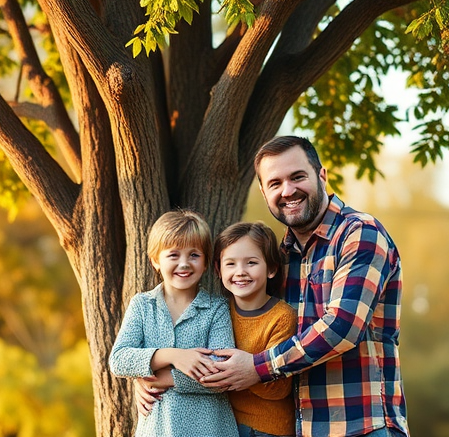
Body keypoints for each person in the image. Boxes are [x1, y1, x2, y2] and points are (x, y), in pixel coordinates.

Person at [200, 136, 408, 437]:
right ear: (263, 191)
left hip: (362, 425)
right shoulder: (277, 258)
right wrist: (157, 375)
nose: (287, 191)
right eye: (275, 183)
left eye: (297, 177)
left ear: (321, 176)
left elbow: (342, 327)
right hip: (303, 429)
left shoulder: (359, 234)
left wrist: (258, 367)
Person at [109, 209, 237, 437]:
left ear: (206, 262)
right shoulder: (142, 305)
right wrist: (174, 356)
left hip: (209, 429)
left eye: (194, 255)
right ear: (155, 261)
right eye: (173, 255)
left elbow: (221, 372)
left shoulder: (216, 308)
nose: (184, 263)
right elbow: (119, 359)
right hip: (158, 429)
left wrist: (163, 378)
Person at [216, 221, 298, 437]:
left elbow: (279, 388)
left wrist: (245, 368)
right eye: (230, 264)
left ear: (271, 268)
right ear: (219, 269)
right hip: (226, 424)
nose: (240, 272)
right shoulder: (218, 312)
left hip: (268, 429)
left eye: (251, 263)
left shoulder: (281, 317)